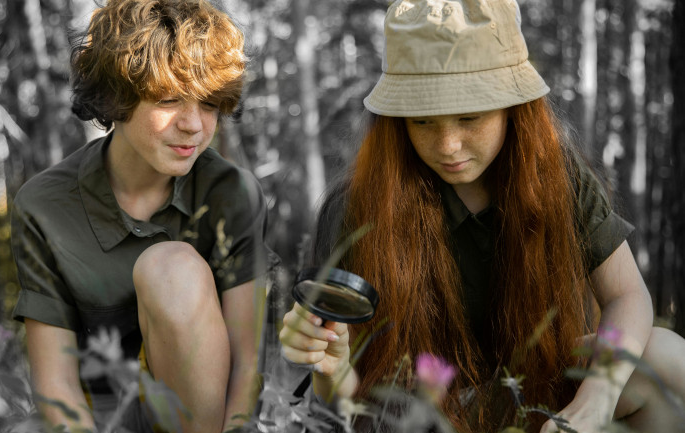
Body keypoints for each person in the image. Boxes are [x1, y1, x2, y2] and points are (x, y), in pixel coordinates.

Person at [279, 0, 685, 432]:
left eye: (470, 117)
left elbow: (627, 296)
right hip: (410, 416)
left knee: (667, 358)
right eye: (422, 122)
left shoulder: (557, 177)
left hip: (529, 399)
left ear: (515, 108)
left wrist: (598, 396)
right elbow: (336, 406)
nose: (449, 145)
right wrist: (328, 366)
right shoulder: (355, 207)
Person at [10, 1, 277, 431]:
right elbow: (55, 388)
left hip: (205, 423)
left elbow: (248, 369)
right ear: (117, 98)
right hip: (101, 423)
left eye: (209, 103)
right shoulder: (44, 205)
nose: (193, 125)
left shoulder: (233, 194)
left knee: (172, 267)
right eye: (169, 100)